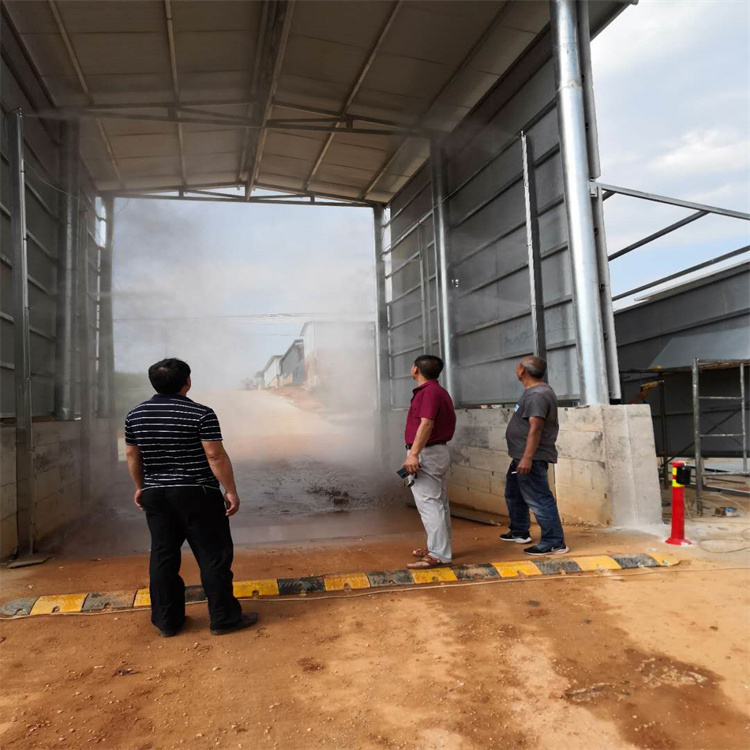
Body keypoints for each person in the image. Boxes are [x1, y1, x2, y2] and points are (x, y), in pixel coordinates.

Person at [124, 358, 257, 637]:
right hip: (198, 493)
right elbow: (214, 454)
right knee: (212, 556)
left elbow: (132, 454)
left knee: (163, 555)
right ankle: (223, 618)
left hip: (156, 494)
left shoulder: (135, 415)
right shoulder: (201, 414)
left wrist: (141, 486)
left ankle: (167, 621)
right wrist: (230, 490)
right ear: (188, 381)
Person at [501, 356, 568, 556]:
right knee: (514, 493)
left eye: (517, 366)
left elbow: (535, 427)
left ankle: (554, 542)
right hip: (521, 456)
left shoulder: (537, 395)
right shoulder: (533, 392)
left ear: (523, 371)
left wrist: (527, 457)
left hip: (530, 458)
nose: (516, 369)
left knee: (539, 498)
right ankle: (519, 531)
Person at [402, 355, 457, 569]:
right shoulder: (438, 391)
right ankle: (439, 547)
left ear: (415, 369)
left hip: (428, 453)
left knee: (429, 504)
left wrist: (413, 454)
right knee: (439, 503)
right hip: (435, 451)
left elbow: (426, 424)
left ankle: (439, 554)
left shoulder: (429, 393)